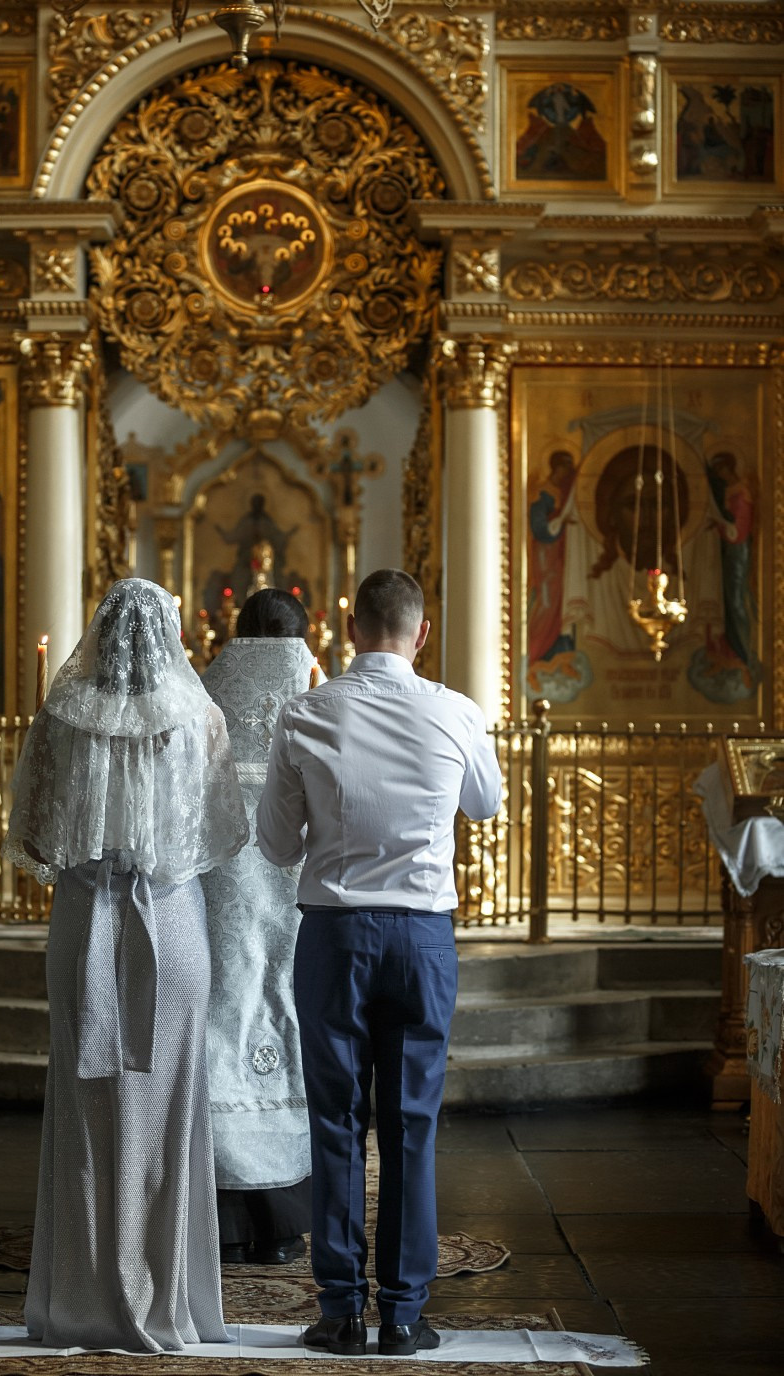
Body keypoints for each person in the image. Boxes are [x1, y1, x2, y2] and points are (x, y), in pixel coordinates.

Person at [257, 569, 502, 1358]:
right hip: (422, 938)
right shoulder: (456, 712)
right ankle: (402, 1314)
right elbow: (484, 804)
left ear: (348, 626)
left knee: (332, 1121)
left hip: (334, 934)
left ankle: (338, 1312)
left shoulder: (304, 714)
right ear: (421, 632)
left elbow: (274, 844)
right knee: (410, 1125)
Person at [2, 579, 249, 1353]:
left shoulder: (60, 719)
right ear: (169, 637)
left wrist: (98, 855)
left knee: (85, 1107)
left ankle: (81, 1303)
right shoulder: (199, 718)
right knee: (172, 1107)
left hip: (86, 923)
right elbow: (219, 834)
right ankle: (167, 1300)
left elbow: (36, 840)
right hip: (170, 926)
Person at [200, 588, 319, 1266]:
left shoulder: (199, 692)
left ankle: (224, 1220)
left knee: (223, 1023)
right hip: (296, 893)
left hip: (216, 894)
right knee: (282, 1018)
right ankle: (279, 1221)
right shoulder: (320, 697)